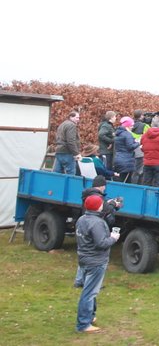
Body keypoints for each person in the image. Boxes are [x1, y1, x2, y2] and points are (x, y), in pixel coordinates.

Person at [74, 194, 120, 333]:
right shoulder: (97, 223)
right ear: (97, 207)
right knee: (89, 292)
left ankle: (90, 316)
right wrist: (113, 238)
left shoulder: (81, 219)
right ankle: (83, 324)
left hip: (84, 258)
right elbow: (101, 243)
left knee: (89, 289)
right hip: (95, 261)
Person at [138, 116, 159, 187]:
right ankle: (155, 198)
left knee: (146, 182)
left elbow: (142, 147)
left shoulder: (144, 135)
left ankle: (145, 197)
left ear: (151, 124)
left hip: (147, 162)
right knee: (158, 183)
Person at [53, 110, 81, 175]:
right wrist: (76, 153)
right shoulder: (72, 125)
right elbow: (71, 141)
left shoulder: (62, 124)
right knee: (71, 174)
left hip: (59, 151)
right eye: (77, 117)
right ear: (71, 117)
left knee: (57, 174)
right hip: (67, 152)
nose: (78, 119)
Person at [112, 117, 138, 183]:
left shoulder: (118, 134)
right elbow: (130, 147)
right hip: (126, 161)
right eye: (131, 125)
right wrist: (138, 142)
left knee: (121, 180)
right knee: (127, 181)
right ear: (128, 126)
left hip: (118, 159)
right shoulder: (127, 134)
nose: (132, 127)